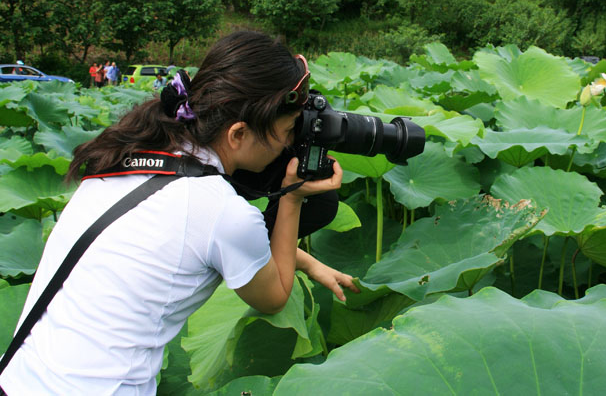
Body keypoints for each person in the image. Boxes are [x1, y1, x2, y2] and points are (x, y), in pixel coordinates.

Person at [0, 31, 358, 394]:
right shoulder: (222, 210)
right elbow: (274, 296)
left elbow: (183, 238)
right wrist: (293, 198)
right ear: (237, 133)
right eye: (284, 131)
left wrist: (309, 262)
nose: (287, 143)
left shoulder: (128, 157)